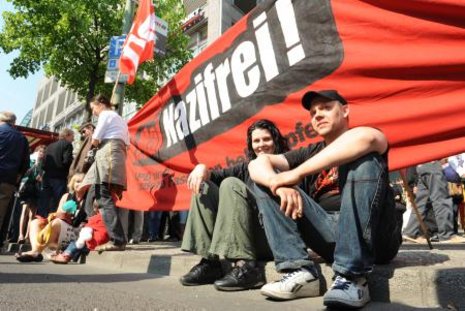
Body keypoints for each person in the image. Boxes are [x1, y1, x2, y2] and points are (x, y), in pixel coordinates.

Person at [248, 90, 402, 309]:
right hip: (329, 231)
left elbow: (368, 138)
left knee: (364, 159)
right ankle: (299, 273)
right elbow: (258, 163)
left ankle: (352, 277)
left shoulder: (362, 134)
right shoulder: (310, 151)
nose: (317, 115)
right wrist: (278, 185)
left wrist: (295, 174)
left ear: (345, 110)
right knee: (264, 181)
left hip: (376, 235)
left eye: (326, 108)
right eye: (313, 113)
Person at [180, 119, 289, 291]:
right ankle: (211, 263)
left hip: (273, 238)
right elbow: (212, 176)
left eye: (266, 139)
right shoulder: (246, 168)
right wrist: (200, 168)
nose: (261, 145)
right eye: (256, 141)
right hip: (248, 236)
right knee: (204, 188)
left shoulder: (288, 164)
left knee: (231, 184)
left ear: (276, 140)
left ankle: (247, 267)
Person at [78, 94, 130, 252]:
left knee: (103, 197)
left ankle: (117, 239)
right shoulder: (119, 119)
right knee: (94, 194)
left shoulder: (106, 114)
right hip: (114, 154)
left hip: (107, 154)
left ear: (100, 103)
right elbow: (127, 143)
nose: (93, 112)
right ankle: (96, 230)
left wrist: (88, 153)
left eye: (93, 108)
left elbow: (96, 138)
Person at [15, 173, 84, 262]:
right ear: (73, 184)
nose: (80, 184)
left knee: (56, 223)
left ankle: (35, 252)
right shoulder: (67, 196)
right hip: (61, 229)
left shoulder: (88, 198)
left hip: (75, 233)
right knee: (35, 222)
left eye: (83, 182)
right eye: (77, 182)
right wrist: (63, 212)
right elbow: (59, 214)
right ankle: (35, 250)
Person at [403, 161, 465, 243]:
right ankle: (447, 234)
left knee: (421, 202)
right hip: (433, 163)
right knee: (441, 199)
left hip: (422, 164)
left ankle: (411, 232)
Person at [0, 111, 30, 236]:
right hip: (8, 180)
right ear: (14, 122)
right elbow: (25, 163)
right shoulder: (21, 138)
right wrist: (17, 177)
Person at [36, 128, 74, 217]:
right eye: (72, 136)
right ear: (67, 135)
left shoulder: (50, 146)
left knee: (44, 202)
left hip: (47, 177)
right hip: (59, 178)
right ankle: (52, 222)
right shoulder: (68, 145)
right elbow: (66, 161)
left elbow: (43, 163)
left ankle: (40, 220)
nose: (73, 139)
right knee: (57, 202)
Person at [17, 145, 46, 244]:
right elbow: (26, 173)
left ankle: (27, 235)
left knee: (32, 214)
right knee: (24, 211)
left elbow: (41, 176)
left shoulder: (43, 164)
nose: (41, 154)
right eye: (40, 151)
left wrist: (41, 176)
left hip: (36, 188)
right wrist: (35, 164)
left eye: (43, 152)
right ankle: (20, 235)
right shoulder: (31, 160)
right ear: (36, 152)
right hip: (27, 186)